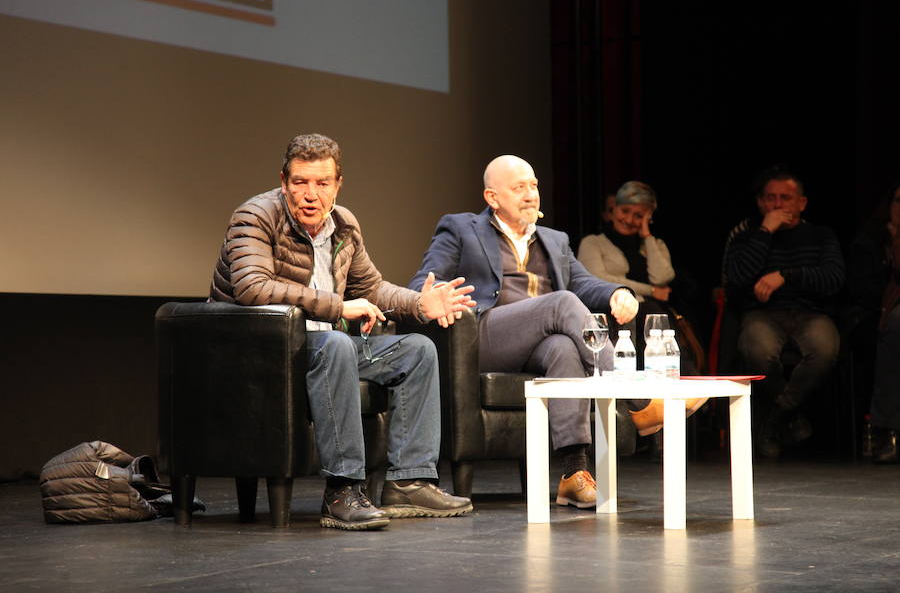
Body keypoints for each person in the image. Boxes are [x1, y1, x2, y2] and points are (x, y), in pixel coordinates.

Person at [209, 133, 476, 530]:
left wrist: (419, 304)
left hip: (322, 346)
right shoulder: (255, 216)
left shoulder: (344, 224)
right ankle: (343, 490)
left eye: (322, 183)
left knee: (417, 350)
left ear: (337, 184)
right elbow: (252, 287)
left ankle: (410, 479)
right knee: (336, 343)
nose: (310, 194)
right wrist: (337, 306)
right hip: (263, 350)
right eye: (300, 183)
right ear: (284, 182)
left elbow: (371, 288)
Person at [409, 155, 705, 509]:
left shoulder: (554, 239)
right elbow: (423, 283)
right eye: (519, 188)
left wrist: (616, 293)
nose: (531, 194)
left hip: (539, 340)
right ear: (492, 197)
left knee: (565, 347)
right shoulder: (460, 228)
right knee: (562, 302)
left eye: (534, 186)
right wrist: (440, 297)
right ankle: (641, 402)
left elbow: (584, 281)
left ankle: (573, 475)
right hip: (485, 335)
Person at [723, 165, 845, 458]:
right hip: (763, 314)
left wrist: (786, 275)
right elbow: (737, 279)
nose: (777, 205)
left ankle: (777, 416)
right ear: (761, 202)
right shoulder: (747, 236)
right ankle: (790, 415)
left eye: (785, 198)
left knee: (825, 347)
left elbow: (834, 279)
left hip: (809, 313)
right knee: (758, 348)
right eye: (770, 198)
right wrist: (765, 232)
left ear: (801, 203)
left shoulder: (820, 235)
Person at [577, 181, 676, 358]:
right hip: (615, 315)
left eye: (639, 215)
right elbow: (597, 278)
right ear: (614, 209)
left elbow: (662, 278)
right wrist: (652, 291)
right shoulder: (592, 243)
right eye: (625, 211)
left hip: (652, 320)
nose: (629, 220)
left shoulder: (654, 244)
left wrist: (646, 236)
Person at [848, 184, 900, 462]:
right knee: (895, 327)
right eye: (899, 200)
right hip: (875, 314)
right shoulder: (870, 241)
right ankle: (887, 431)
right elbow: (862, 287)